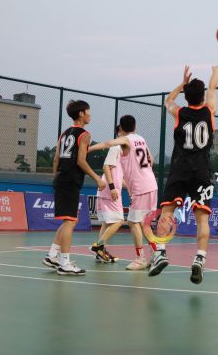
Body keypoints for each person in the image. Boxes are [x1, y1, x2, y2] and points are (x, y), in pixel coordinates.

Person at [152, 65, 218, 284]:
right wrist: (215, 72)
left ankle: (161, 252)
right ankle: (200, 258)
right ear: (202, 97)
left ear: (186, 96)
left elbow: (168, 100)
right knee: (202, 218)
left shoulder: (179, 113)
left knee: (167, 211)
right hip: (201, 170)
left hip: (180, 168)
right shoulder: (209, 111)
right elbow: (213, 88)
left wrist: (181, 84)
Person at [89, 115, 162, 271]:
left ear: (121, 128)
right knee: (144, 223)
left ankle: (141, 258)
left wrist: (89, 148)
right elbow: (151, 159)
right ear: (135, 126)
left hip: (141, 187)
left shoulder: (125, 141)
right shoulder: (141, 139)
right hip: (151, 184)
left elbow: (108, 143)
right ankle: (157, 254)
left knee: (133, 222)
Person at [43, 100, 106, 276]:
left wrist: (57, 177)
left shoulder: (64, 134)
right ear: (81, 114)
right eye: (88, 111)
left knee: (68, 221)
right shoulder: (84, 134)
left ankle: (52, 255)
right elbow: (81, 161)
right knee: (70, 222)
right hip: (70, 181)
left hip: (61, 179)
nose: (90, 114)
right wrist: (97, 178)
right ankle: (64, 263)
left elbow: (56, 159)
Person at [89, 125, 126, 265]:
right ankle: (99, 246)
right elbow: (106, 167)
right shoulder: (116, 147)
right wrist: (112, 188)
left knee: (106, 223)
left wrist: (131, 188)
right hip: (110, 191)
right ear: (119, 133)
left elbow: (119, 177)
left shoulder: (123, 152)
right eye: (124, 131)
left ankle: (100, 253)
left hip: (109, 191)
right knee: (119, 221)